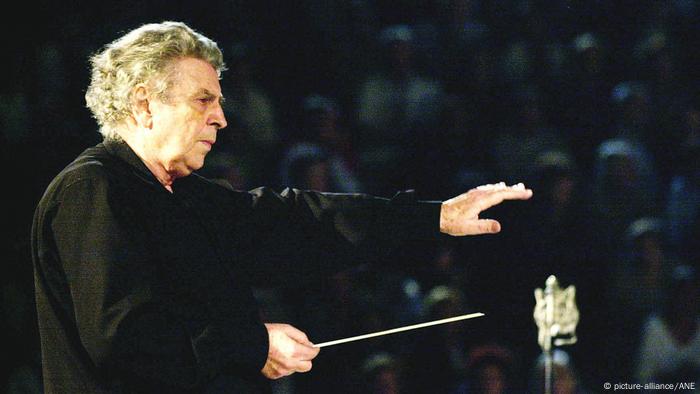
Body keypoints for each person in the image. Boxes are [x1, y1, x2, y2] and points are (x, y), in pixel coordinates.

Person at [30, 21, 533, 393]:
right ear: (143, 104)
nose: (222, 119)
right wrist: (253, 345)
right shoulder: (92, 192)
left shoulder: (184, 194)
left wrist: (433, 217)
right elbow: (125, 338)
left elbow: (297, 222)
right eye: (204, 101)